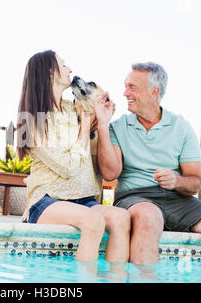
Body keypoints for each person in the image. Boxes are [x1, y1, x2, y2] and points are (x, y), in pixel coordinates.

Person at [94, 62, 201, 268]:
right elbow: (109, 173)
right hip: (135, 198)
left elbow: (194, 183)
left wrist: (176, 181)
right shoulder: (118, 126)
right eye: (126, 86)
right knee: (149, 215)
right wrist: (102, 124)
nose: (125, 93)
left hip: (178, 201)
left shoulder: (181, 127)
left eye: (132, 87)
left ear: (155, 91)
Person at [16, 50, 130, 263]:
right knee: (93, 221)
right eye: (64, 64)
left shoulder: (73, 109)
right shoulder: (32, 121)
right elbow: (68, 167)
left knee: (121, 218)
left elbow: (95, 105)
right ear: (51, 73)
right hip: (47, 200)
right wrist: (85, 127)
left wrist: (102, 116)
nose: (70, 69)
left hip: (84, 201)